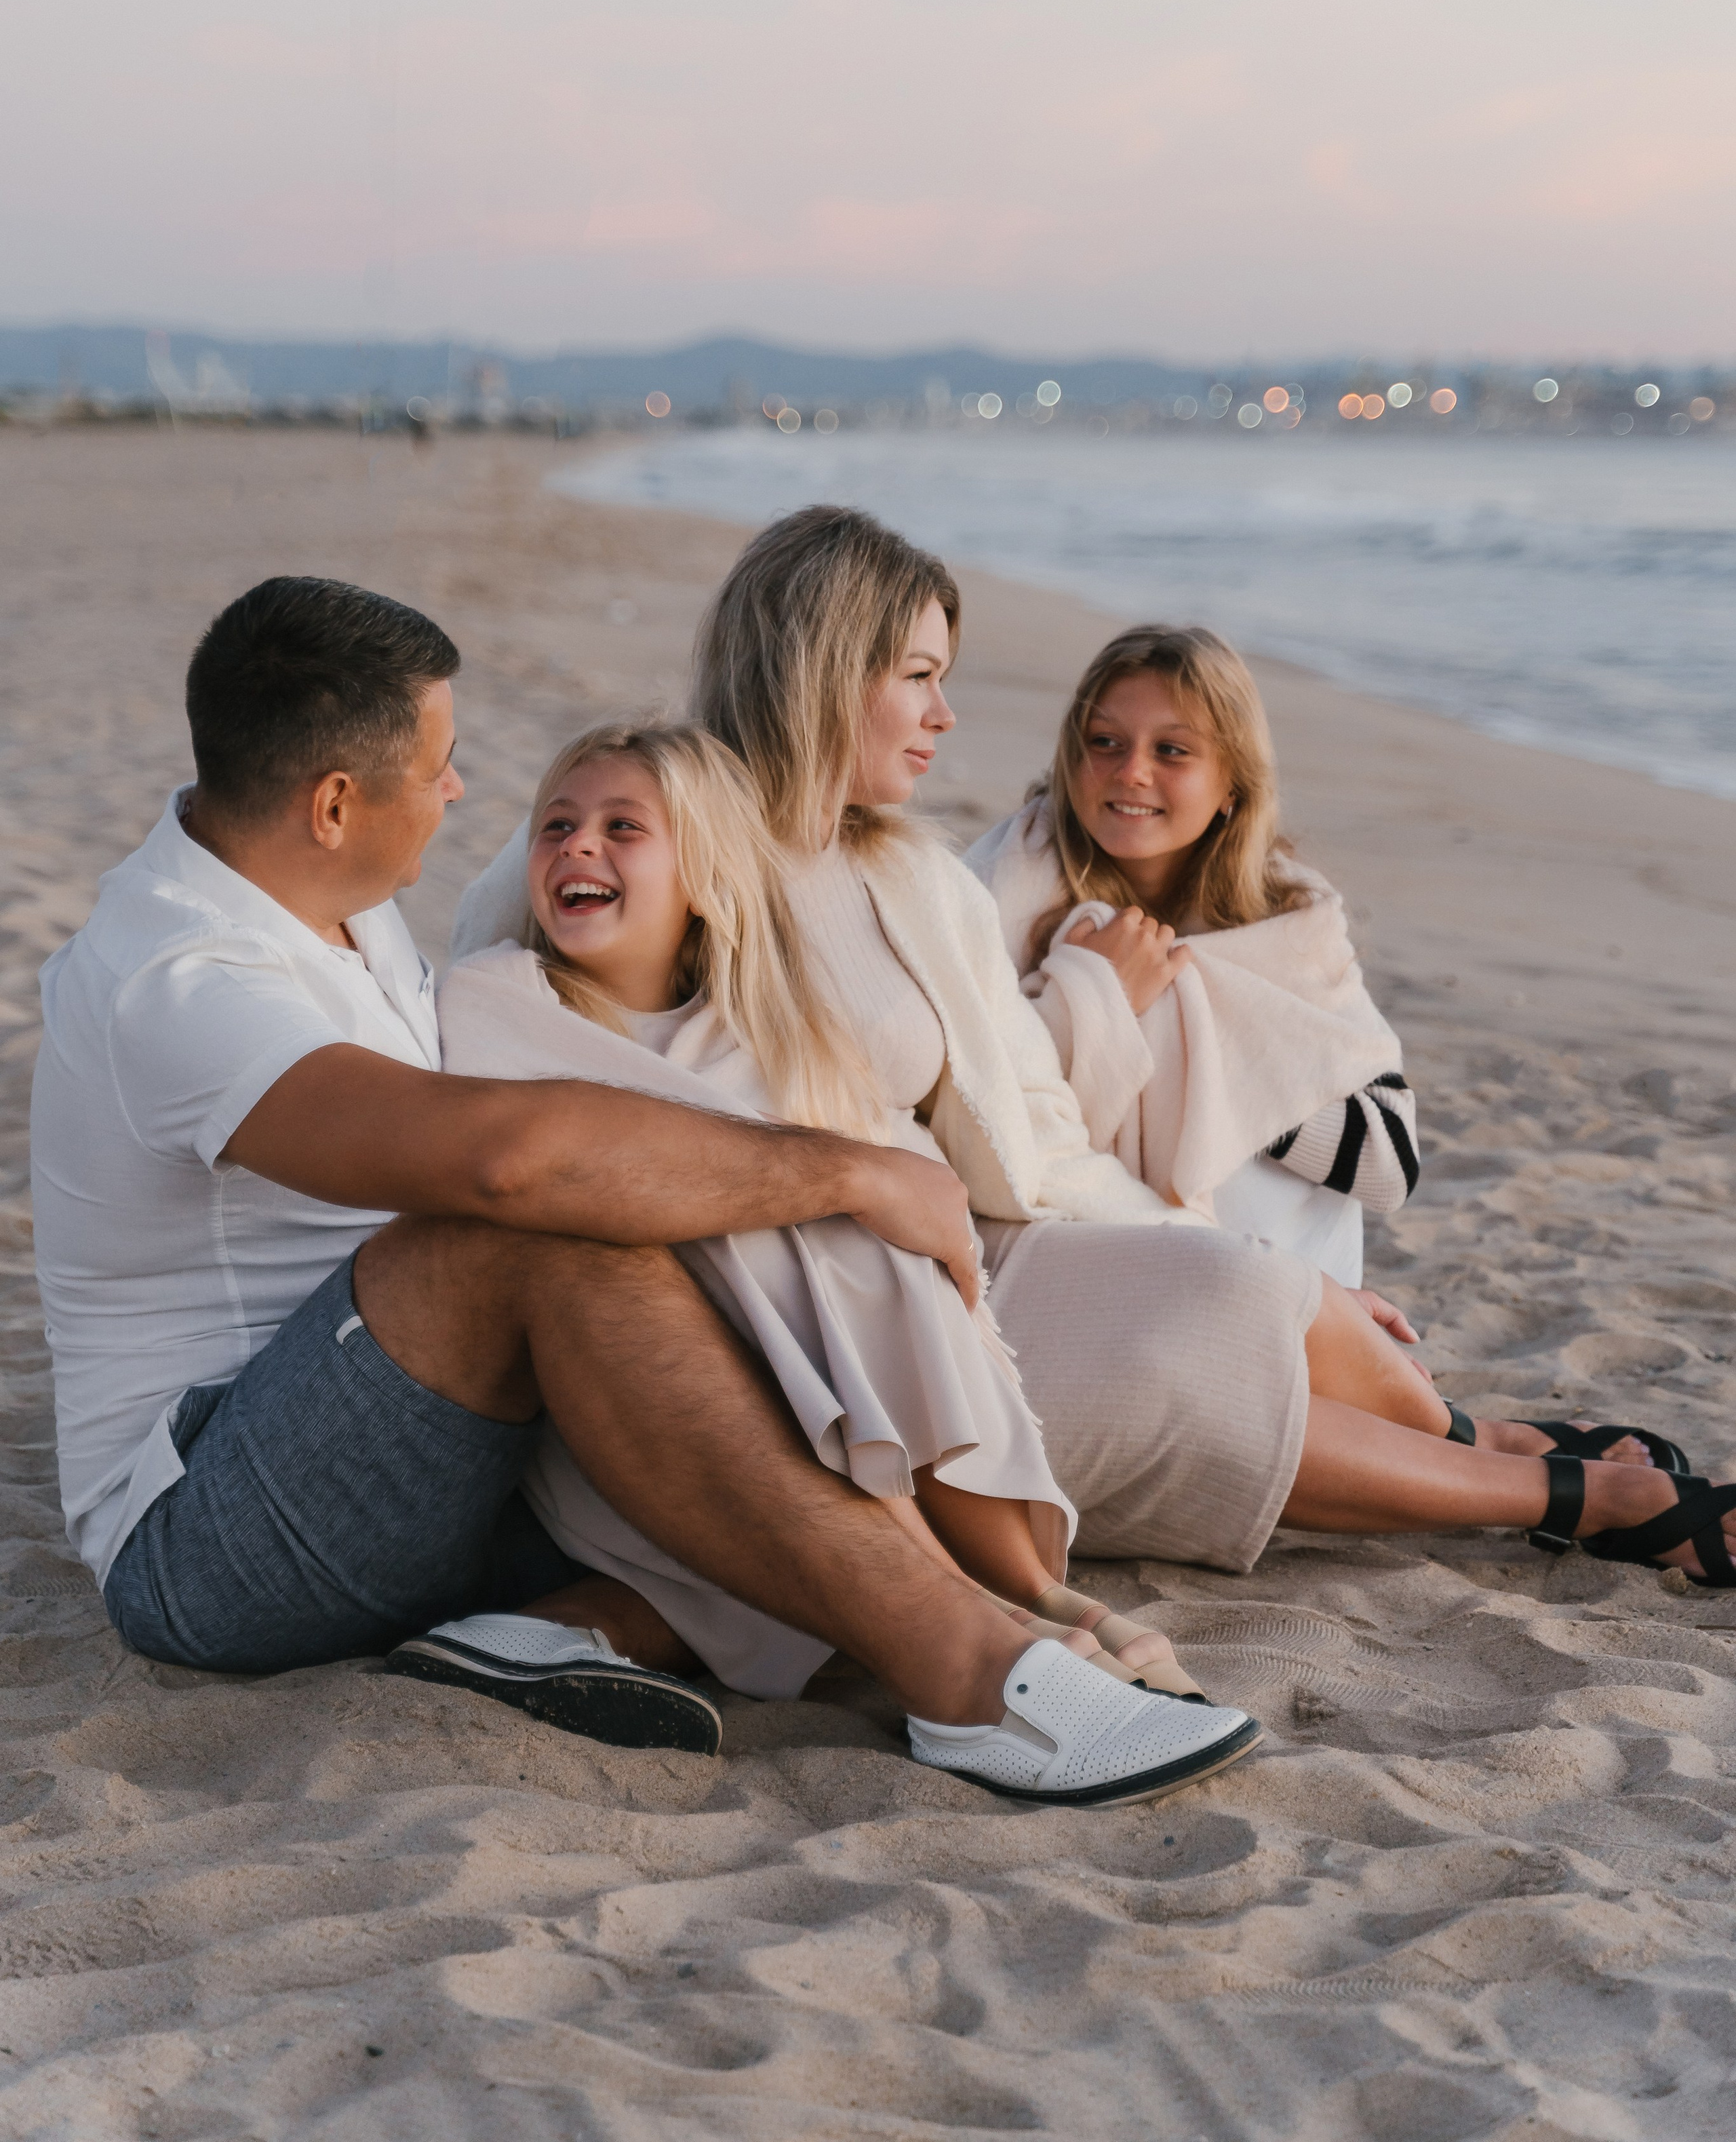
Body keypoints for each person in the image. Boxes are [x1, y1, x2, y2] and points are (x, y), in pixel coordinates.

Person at [28, 573, 1266, 1810]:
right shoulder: (181, 973)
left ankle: (600, 1627)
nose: (460, 795)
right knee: (529, 1235)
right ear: (337, 802)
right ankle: (973, 1675)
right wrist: (846, 1171)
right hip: (220, 1534)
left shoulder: (336, 908)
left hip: (420, 1436)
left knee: (723, 1316)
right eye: (441, 767)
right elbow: (499, 1159)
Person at [454, 511, 1736, 1592]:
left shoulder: (909, 876)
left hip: (970, 1257)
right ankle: (1568, 1498)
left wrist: (1182, 1240)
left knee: (1253, 1285)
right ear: (823, 666)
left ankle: (1500, 1446)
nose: (948, 715)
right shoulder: (647, 830)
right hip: (804, 1326)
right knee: (1218, 1344)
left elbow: (1031, 1136)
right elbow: (472, 1015)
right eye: (917, 674)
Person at [440, 716, 1207, 1700]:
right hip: (652, 1401)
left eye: (623, 828)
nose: (578, 846)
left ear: (705, 878)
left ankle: (1021, 1586)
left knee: (865, 1250)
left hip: (806, 1361)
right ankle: (958, 1600)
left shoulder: (753, 1033)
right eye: (556, 826)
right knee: (761, 1245)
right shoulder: (498, 1000)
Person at [964, 623, 1417, 1292]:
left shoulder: (1286, 922)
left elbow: (1389, 1166)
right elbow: (964, 1105)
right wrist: (1093, 998)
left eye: (1171, 750)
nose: (1132, 771)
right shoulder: (999, 890)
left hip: (1277, 1277)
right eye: (1104, 743)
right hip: (1072, 1263)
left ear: (1231, 784)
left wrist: (1185, 1034)